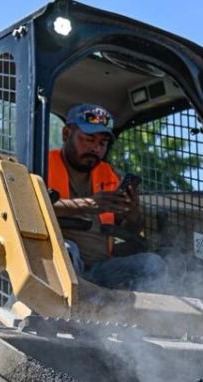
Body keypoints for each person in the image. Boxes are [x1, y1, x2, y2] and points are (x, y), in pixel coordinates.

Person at [46, 103, 167, 291]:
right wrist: (88, 204)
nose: (95, 148)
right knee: (67, 251)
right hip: (59, 262)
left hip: (101, 268)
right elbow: (31, 207)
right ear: (66, 134)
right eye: (88, 139)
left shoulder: (109, 175)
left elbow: (131, 230)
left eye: (102, 143)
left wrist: (131, 213)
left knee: (153, 263)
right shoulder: (41, 164)